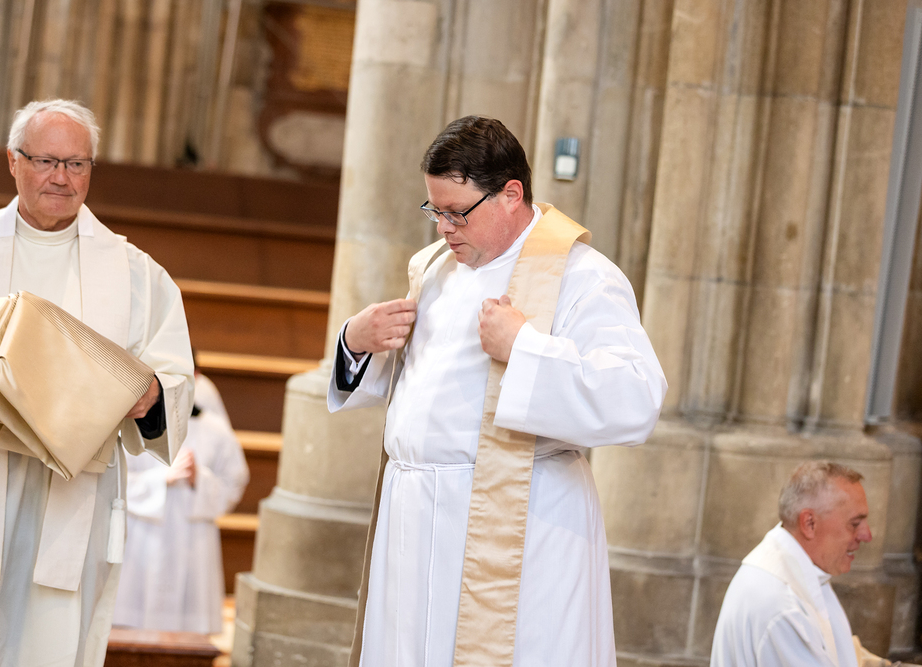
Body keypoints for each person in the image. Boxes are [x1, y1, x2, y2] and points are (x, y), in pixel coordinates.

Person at [327, 116, 666, 667]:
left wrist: (524, 347)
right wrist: (355, 342)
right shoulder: (433, 269)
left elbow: (636, 399)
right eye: (434, 210)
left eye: (457, 212)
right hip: (412, 517)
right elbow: (422, 386)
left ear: (511, 195)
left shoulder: (583, 276)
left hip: (518, 525)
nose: (444, 228)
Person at [0, 99, 193, 667]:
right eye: (46, 161)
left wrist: (149, 397)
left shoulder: (136, 274)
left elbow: (172, 383)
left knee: (52, 638)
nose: (61, 178)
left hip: (75, 495)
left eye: (76, 164)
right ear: (13, 161)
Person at [710, 461, 900, 667]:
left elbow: (836, 650)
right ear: (809, 523)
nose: (867, 535)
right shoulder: (782, 605)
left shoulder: (800, 570)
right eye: (854, 524)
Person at [113, 363, 248, 634]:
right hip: (141, 539)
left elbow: (234, 484)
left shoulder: (216, 429)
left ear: (196, 376)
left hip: (193, 540)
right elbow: (114, 479)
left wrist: (200, 479)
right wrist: (161, 479)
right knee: (131, 629)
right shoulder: (128, 423)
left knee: (188, 632)